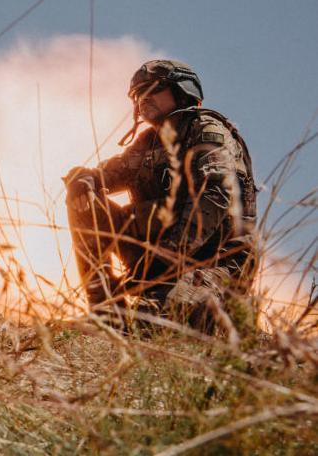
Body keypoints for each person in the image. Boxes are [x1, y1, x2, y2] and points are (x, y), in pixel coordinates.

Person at [64, 60, 257, 331]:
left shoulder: (207, 131)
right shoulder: (147, 143)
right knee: (81, 197)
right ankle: (107, 312)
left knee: (150, 321)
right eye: (137, 95)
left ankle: (223, 319)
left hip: (215, 262)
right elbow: (106, 174)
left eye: (152, 89)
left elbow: (214, 196)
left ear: (182, 91)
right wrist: (82, 177)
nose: (143, 99)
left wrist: (167, 258)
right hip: (154, 261)